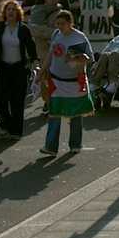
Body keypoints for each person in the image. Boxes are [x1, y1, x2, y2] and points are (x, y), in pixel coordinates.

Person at [39, 11, 94, 156]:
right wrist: (42, 70)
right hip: (57, 80)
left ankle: (75, 145)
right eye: (58, 24)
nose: (60, 27)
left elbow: (90, 58)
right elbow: (50, 54)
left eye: (62, 24)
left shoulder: (79, 37)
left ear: (71, 23)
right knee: (54, 114)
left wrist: (78, 58)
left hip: (74, 82)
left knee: (75, 114)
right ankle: (50, 147)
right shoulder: (56, 34)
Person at [0, 0, 38, 139]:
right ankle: (6, 124)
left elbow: (31, 46)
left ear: (18, 13)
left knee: (17, 101)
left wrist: (34, 61)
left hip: (19, 68)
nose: (10, 12)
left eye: (13, 10)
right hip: (3, 68)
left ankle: (16, 131)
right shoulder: (0, 27)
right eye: (8, 9)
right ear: (4, 12)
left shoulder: (23, 28)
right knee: (0, 100)